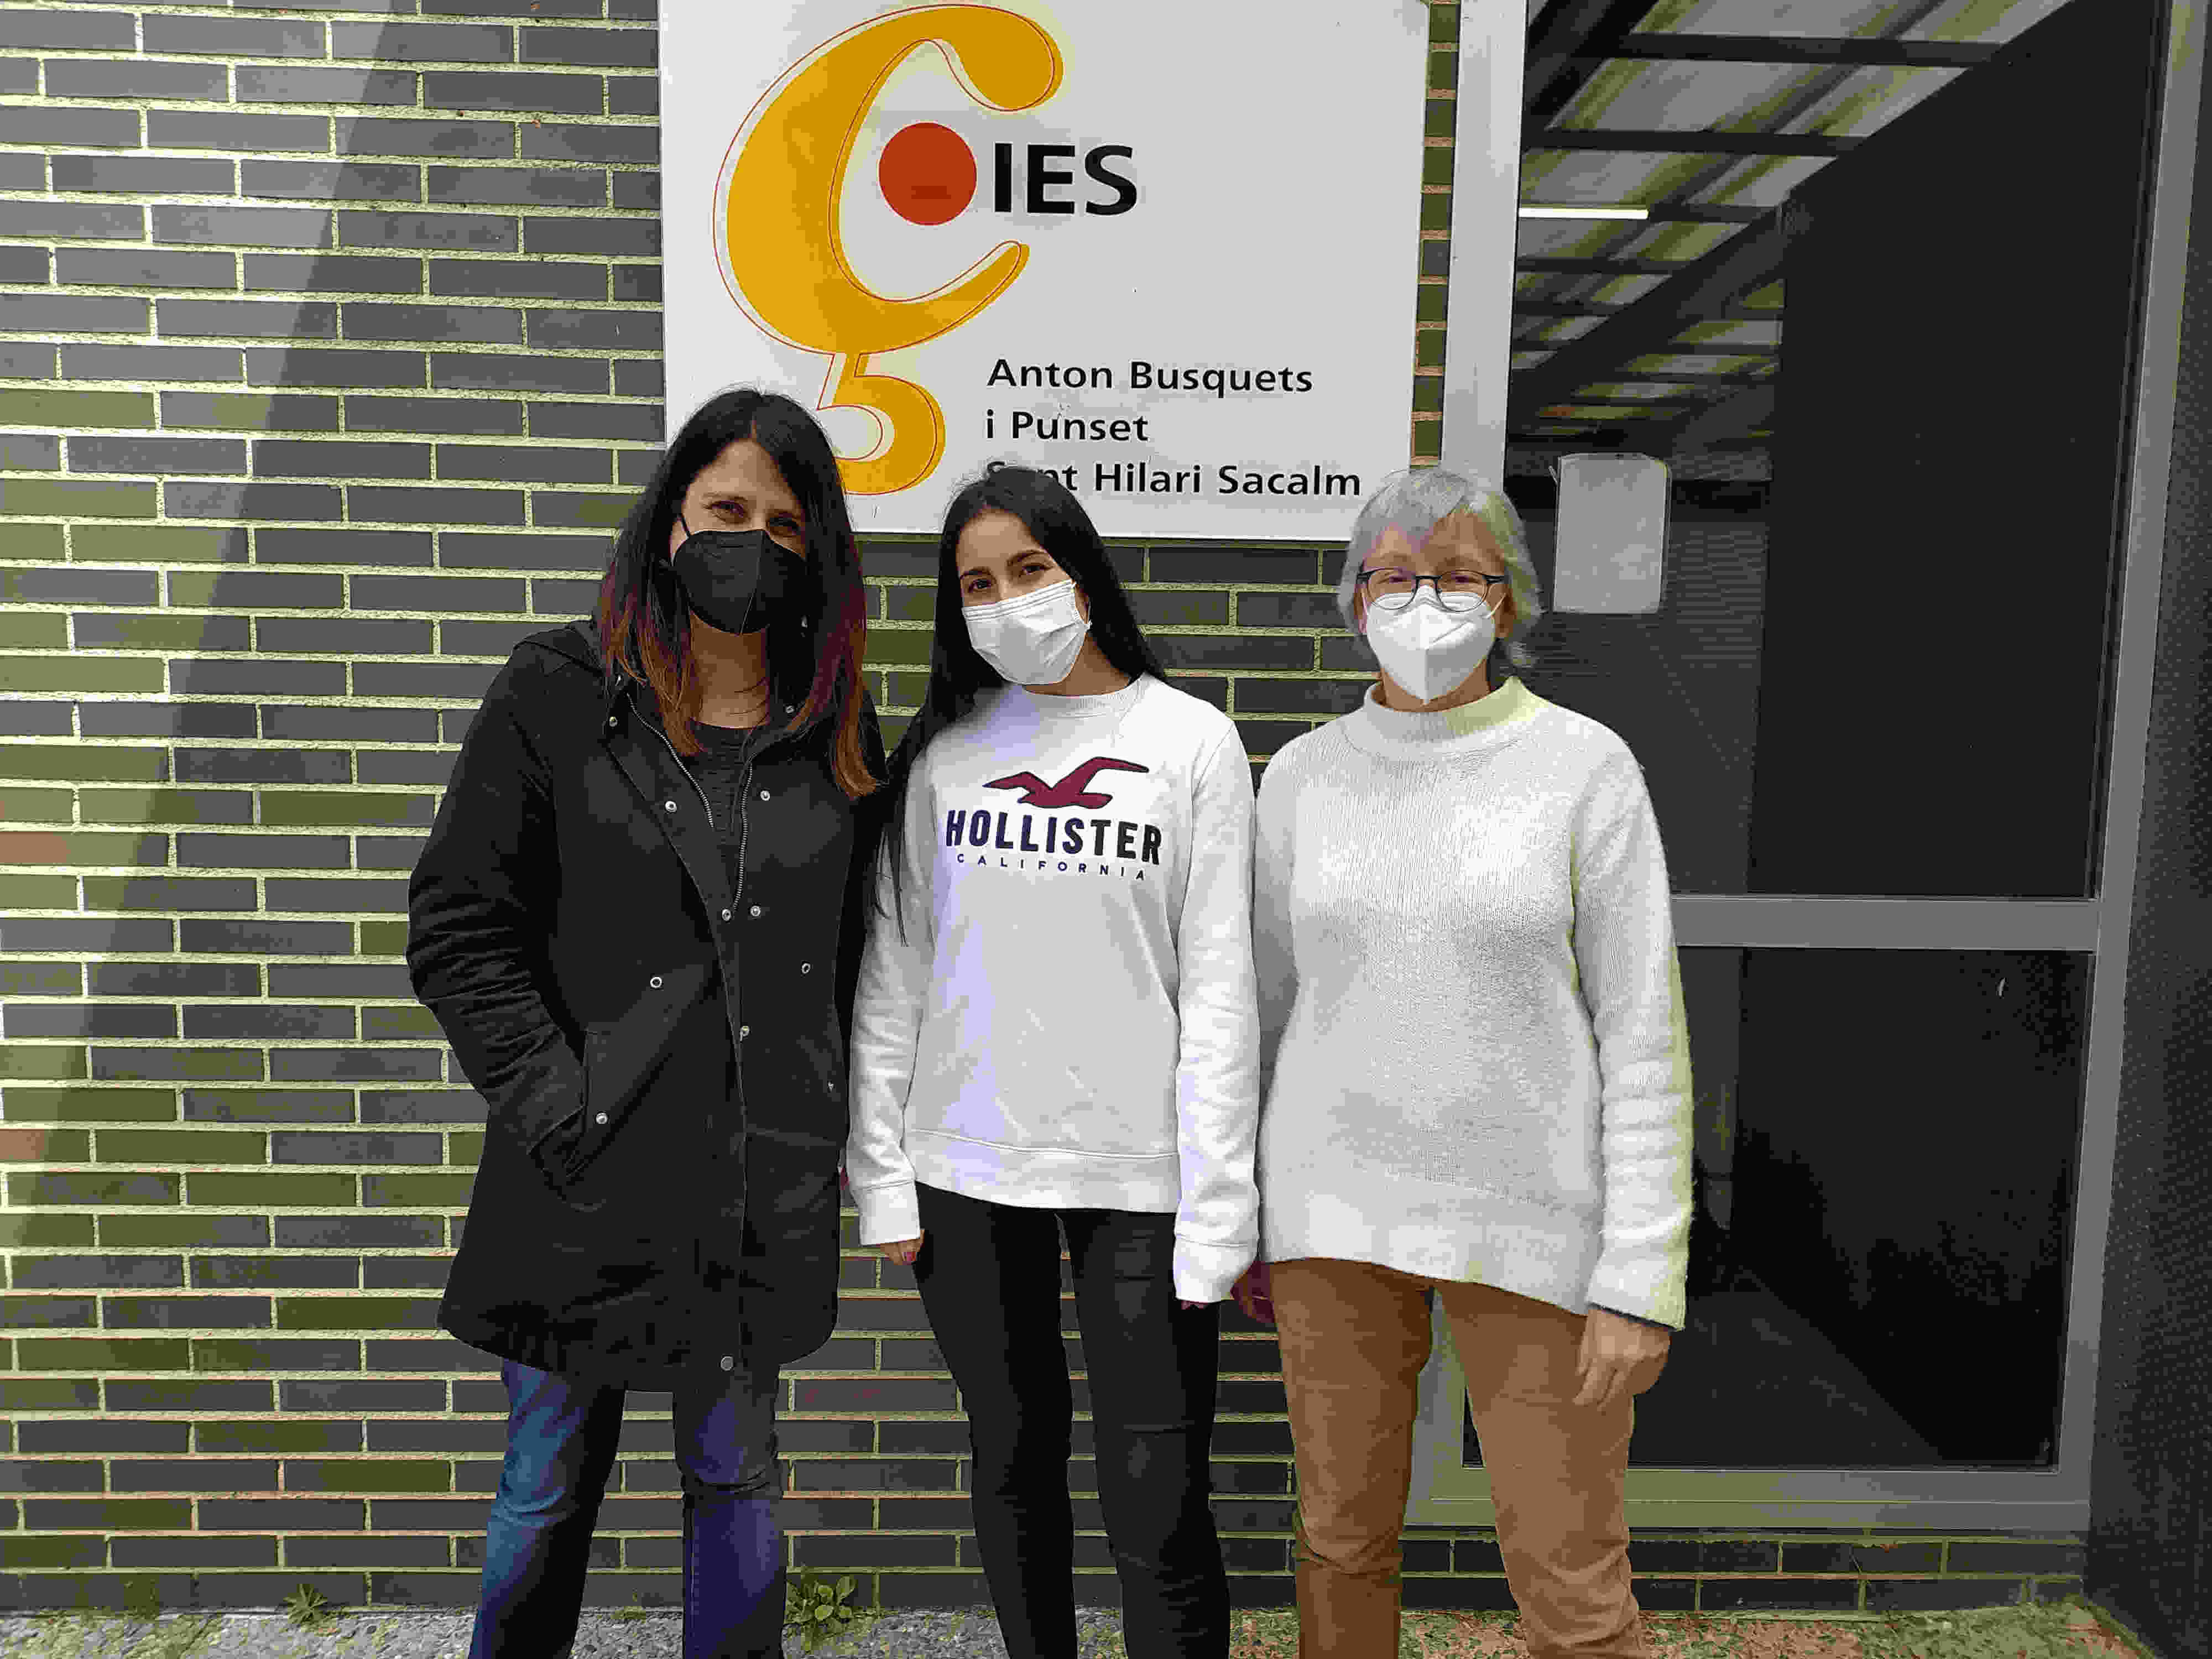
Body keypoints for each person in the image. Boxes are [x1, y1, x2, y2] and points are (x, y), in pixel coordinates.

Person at [406, 388, 889, 1659]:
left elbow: (861, 957)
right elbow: (459, 927)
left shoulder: (833, 727)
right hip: (577, 1187)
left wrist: (836, 1124)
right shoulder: (558, 691)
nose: (750, 543)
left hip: (748, 1196)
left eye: (783, 526)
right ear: (670, 518)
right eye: (726, 509)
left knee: (735, 1483)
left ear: (817, 554)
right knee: (546, 1488)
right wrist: (560, 1109)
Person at [1232, 466, 1692, 1659]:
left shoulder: (1584, 768)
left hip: (1534, 1223)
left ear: (1507, 599)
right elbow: (1264, 1010)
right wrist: (1244, 1212)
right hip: (1330, 1216)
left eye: (1456, 575)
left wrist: (1640, 1273)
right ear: (1353, 600)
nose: (1422, 601)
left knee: (1570, 1572)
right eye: (1392, 576)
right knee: (1339, 1541)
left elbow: (1642, 1031)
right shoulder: (1301, 778)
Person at [843, 464, 1260, 1659]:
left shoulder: (1191, 742)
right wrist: (881, 1173)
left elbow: (1222, 989)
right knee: (1013, 1460)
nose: (1006, 599)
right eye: (976, 583)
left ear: (1081, 573)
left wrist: (1219, 1206)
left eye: (1027, 569)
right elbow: (895, 972)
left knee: (1157, 1487)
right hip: (965, 1166)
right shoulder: (944, 753)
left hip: (1141, 1175)